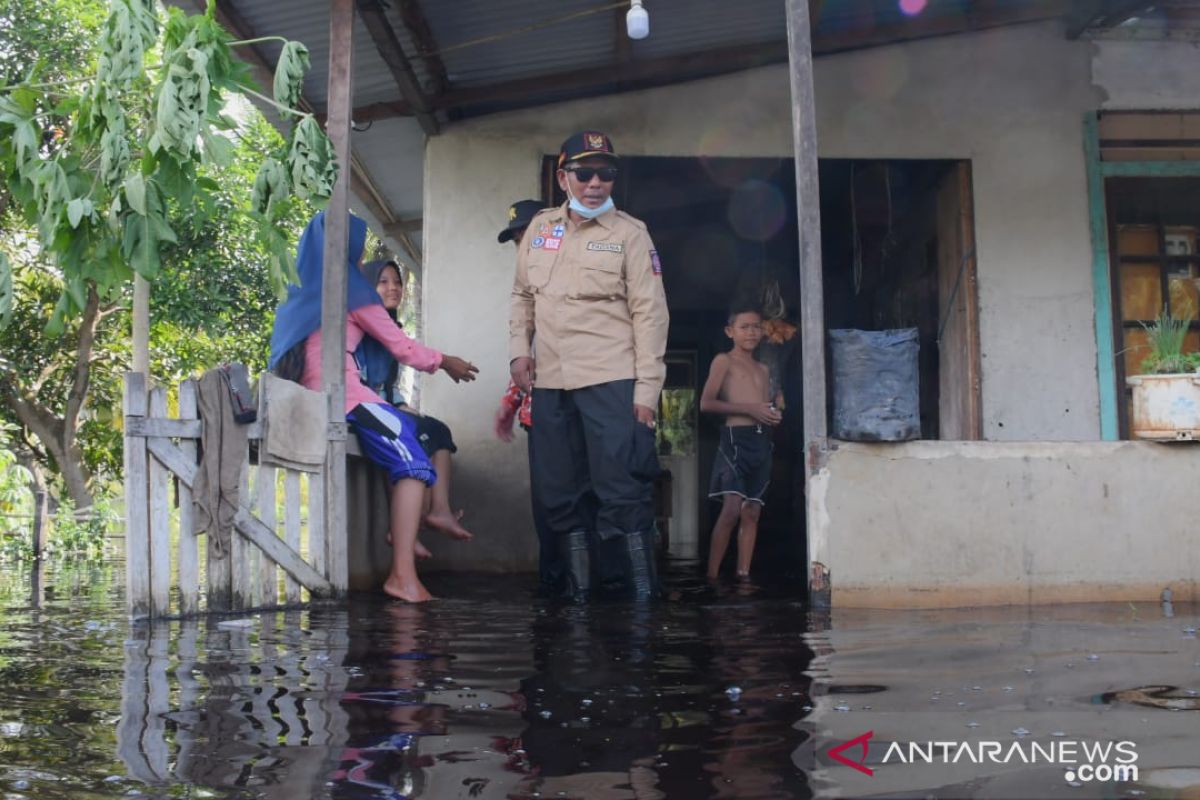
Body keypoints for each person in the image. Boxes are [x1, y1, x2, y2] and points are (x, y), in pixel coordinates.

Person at [268, 211, 478, 602]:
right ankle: (402, 574)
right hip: (345, 396)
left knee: (410, 434)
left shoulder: (300, 290)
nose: (361, 256)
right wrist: (446, 361)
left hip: (310, 399)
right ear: (345, 246)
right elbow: (402, 346)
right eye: (358, 246)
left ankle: (406, 540)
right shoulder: (350, 287)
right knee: (413, 460)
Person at [509, 131, 669, 603]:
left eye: (606, 173)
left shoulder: (630, 234)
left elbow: (651, 313)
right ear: (563, 178)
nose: (596, 182)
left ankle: (643, 605)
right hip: (553, 381)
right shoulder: (539, 228)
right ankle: (578, 604)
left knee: (622, 490)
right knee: (560, 494)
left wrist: (646, 392)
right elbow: (521, 295)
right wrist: (520, 349)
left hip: (612, 378)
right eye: (584, 173)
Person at [357, 259, 472, 545]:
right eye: (383, 282)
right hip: (362, 407)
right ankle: (406, 528)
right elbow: (359, 382)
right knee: (414, 435)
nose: (393, 287)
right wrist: (391, 406)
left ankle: (439, 510)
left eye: (397, 282)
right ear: (367, 288)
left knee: (438, 430)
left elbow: (389, 383)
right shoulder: (361, 327)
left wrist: (398, 402)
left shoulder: (390, 327)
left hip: (383, 405)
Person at [492, 198, 564, 595]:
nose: (523, 247)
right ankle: (556, 590)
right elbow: (529, 358)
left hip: (577, 410)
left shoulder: (566, 281)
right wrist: (511, 402)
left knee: (575, 502)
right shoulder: (529, 289)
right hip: (540, 415)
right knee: (548, 505)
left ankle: (579, 593)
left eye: (527, 236)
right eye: (518, 240)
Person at [698, 304, 782, 581]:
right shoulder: (724, 361)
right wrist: (750, 408)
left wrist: (772, 413)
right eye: (744, 327)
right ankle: (711, 577)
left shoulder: (763, 368)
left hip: (761, 441)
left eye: (756, 327)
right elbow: (706, 403)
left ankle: (743, 576)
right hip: (735, 440)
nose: (751, 332)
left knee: (752, 510)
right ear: (729, 331)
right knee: (732, 508)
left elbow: (766, 405)